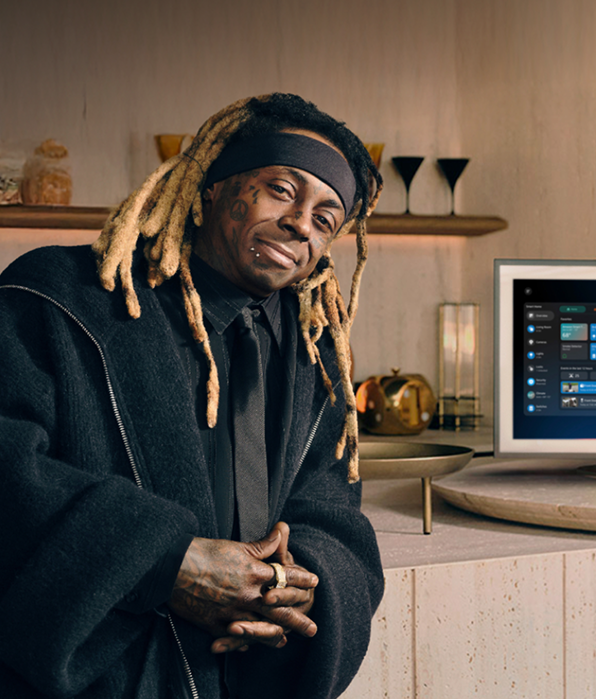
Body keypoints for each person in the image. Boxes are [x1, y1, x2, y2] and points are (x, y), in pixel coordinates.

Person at [0, 93, 385, 698]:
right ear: (212, 186)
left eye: (325, 218)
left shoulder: (315, 355)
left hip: (249, 676)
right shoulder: (58, 297)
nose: (300, 224)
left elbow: (333, 511)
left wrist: (295, 584)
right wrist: (163, 562)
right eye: (281, 190)